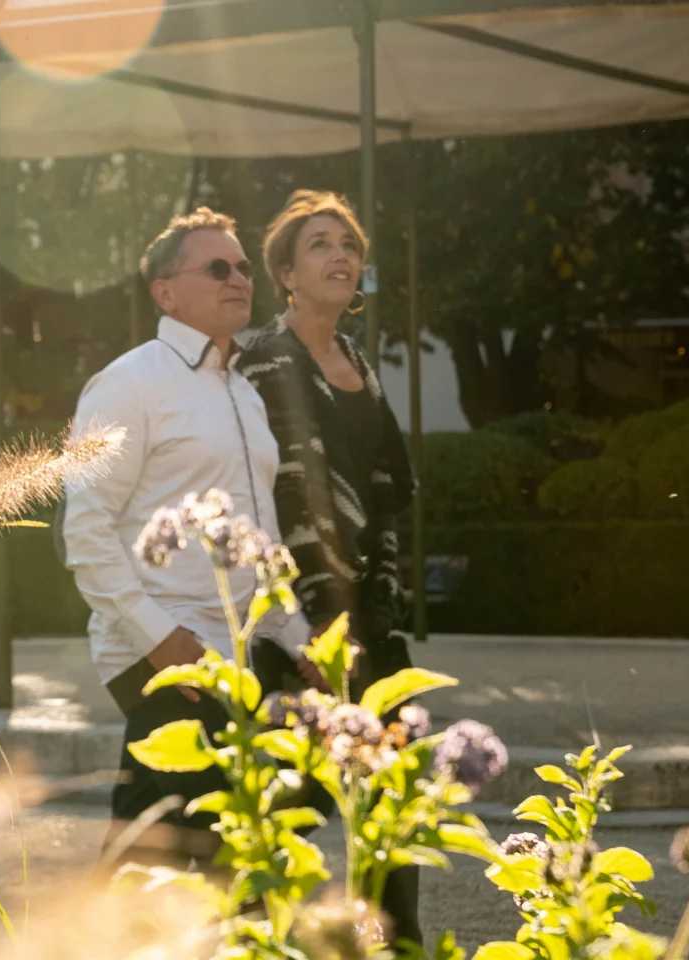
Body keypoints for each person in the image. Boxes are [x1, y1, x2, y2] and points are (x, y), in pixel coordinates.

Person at [62, 207, 314, 869]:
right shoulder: (128, 384)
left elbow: (263, 537)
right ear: (165, 292)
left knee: (196, 852)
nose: (239, 278)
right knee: (194, 854)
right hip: (164, 655)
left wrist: (298, 637)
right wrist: (162, 640)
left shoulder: (245, 395)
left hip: (242, 655)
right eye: (217, 268)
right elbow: (85, 531)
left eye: (242, 267)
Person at [237, 189, 422, 946]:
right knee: (292, 814)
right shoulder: (259, 357)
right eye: (320, 244)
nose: (341, 255)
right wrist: (314, 620)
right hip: (296, 624)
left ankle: (398, 946)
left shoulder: (358, 363)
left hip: (372, 617)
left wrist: (374, 603)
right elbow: (274, 495)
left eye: (349, 244)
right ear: (285, 271)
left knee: (393, 810)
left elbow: (385, 490)